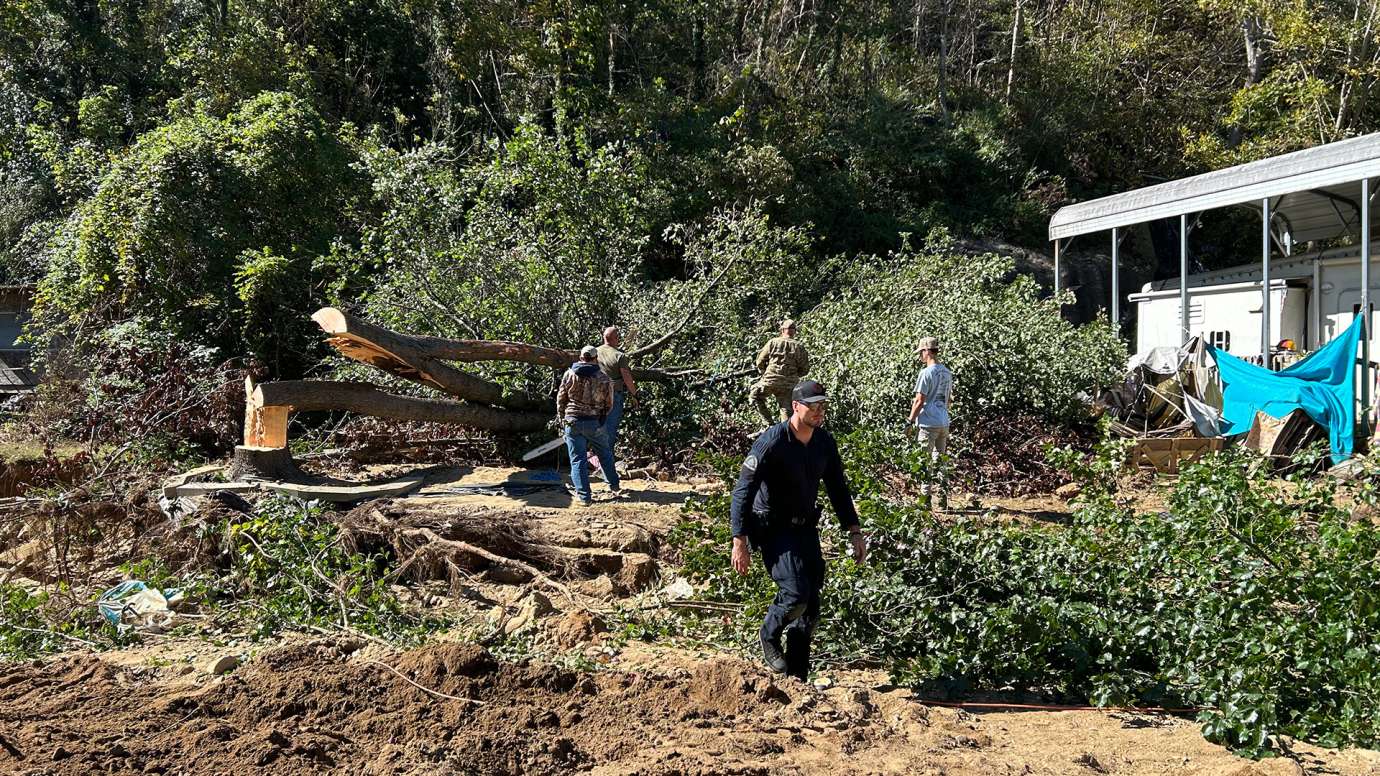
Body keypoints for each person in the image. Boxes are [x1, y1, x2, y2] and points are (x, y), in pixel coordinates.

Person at [730, 379, 866, 680]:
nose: (819, 412)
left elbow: (838, 489)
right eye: (813, 406)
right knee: (795, 593)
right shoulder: (772, 442)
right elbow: (743, 490)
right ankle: (768, 635)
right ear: (795, 406)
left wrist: (854, 530)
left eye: (823, 406)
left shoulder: (823, 442)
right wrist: (739, 540)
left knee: (811, 607)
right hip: (773, 529)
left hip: (805, 528)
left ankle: (797, 677)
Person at [556, 345, 622, 506]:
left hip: (573, 421)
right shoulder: (604, 377)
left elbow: (561, 399)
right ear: (595, 358)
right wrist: (602, 417)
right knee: (605, 453)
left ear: (581, 357)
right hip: (594, 422)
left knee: (578, 460)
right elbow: (609, 403)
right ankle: (614, 486)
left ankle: (585, 497)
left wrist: (562, 417)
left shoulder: (569, 374)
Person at [907, 336, 953, 508]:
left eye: (921, 353)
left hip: (928, 423)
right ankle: (943, 500)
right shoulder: (947, 372)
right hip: (943, 421)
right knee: (941, 461)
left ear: (927, 351)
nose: (920, 356)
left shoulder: (926, 373)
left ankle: (924, 500)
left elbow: (919, 400)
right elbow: (949, 399)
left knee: (924, 462)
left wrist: (909, 422)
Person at [750, 319, 811, 423]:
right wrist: (794, 375)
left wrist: (764, 372)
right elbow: (805, 370)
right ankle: (785, 433)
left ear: (782, 330)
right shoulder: (799, 347)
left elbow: (760, 361)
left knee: (754, 396)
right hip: (789, 386)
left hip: (771, 381)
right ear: (794, 331)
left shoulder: (773, 342)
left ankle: (769, 423)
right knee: (786, 410)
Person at [597, 326, 638, 447]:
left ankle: (595, 457)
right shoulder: (619, 356)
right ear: (616, 338)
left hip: (594, 396)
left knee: (597, 427)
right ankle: (606, 460)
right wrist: (634, 395)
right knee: (609, 428)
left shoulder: (594, 352)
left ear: (604, 338)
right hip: (613, 395)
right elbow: (627, 377)